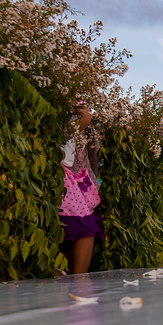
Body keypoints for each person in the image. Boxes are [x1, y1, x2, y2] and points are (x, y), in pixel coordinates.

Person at [59, 104, 103, 274]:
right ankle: (78, 281)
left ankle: (68, 280)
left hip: (64, 175)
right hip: (63, 177)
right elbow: (85, 117)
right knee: (84, 229)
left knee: (69, 232)